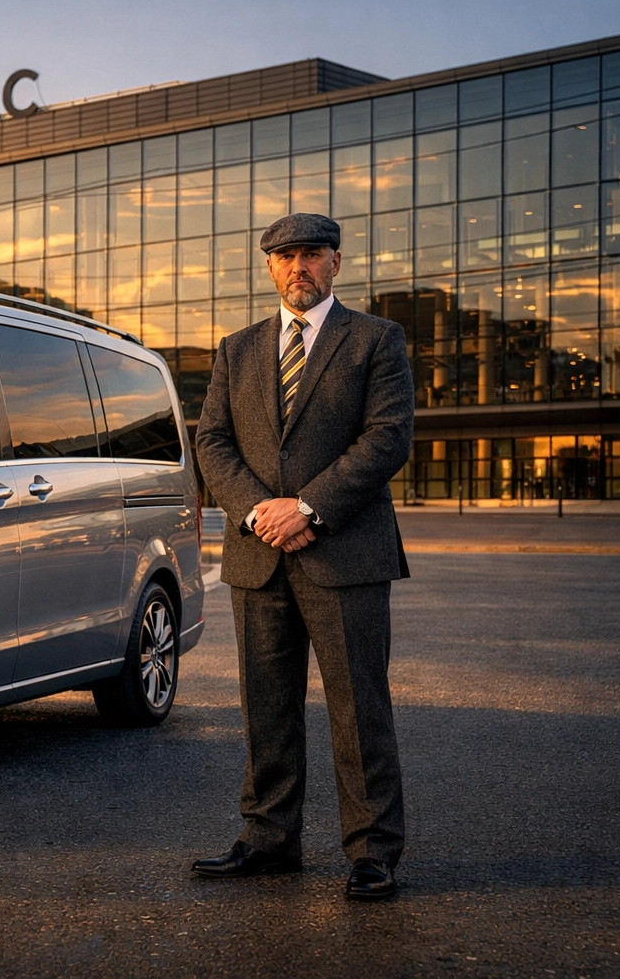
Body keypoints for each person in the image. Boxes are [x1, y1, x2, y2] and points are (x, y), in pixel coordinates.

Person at [191, 212, 414, 902]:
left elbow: (386, 438)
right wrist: (261, 511)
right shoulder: (237, 349)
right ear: (268, 266)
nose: (299, 267)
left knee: (358, 708)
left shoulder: (376, 340)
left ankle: (373, 852)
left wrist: (308, 507)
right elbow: (212, 442)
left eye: (312, 254)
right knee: (266, 707)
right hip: (259, 554)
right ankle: (267, 839)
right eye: (284, 256)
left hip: (345, 551)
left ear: (337, 263)